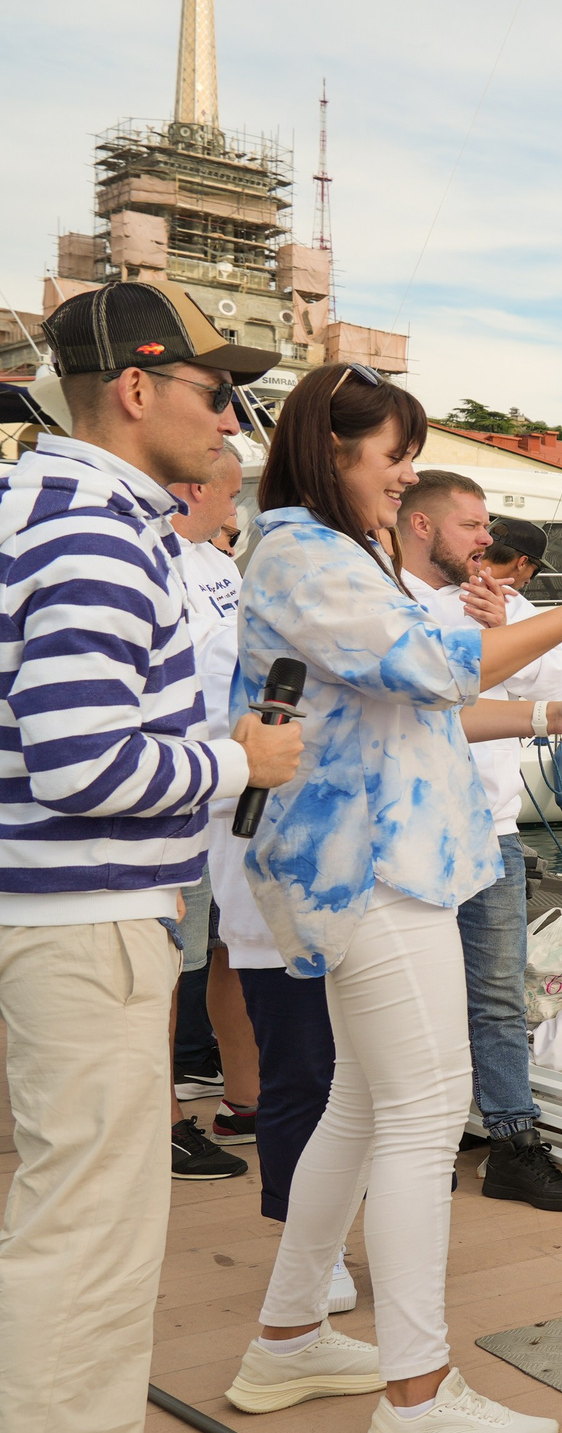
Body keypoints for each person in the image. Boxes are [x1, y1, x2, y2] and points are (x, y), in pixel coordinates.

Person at [218, 363, 562, 1433]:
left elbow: (418, 704)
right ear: (333, 451)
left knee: (364, 1100)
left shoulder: (335, 555)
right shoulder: (304, 554)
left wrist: (549, 702)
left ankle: (291, 1336)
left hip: (380, 869)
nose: (404, 480)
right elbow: (436, 665)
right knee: (421, 1114)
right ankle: (416, 1396)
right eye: (392, 457)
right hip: (371, 876)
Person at [0, 283, 303, 1433]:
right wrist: (240, 764)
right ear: (137, 388)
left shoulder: (42, 511)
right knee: (86, 1244)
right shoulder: (97, 534)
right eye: (210, 389)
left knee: (58, 1220)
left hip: (50, 917)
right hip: (85, 928)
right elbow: (81, 760)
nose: (227, 415)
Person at [393, 471, 562, 1209]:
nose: (488, 541)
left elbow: (553, 674)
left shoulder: (502, 600)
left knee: (499, 992)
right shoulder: (387, 597)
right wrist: (490, 638)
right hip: (411, 830)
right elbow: (438, 694)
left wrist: (503, 626)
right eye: (474, 525)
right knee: (417, 996)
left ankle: (511, 1138)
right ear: (421, 524)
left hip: (493, 827)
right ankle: (426, 1142)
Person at [167, 444, 260, 1180]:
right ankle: (160, 1121)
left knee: (225, 948)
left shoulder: (221, 566)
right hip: (174, 794)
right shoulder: (148, 559)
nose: (235, 513)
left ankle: (244, 1098)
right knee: (169, 964)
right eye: (229, 496)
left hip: (230, 790)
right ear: (194, 488)